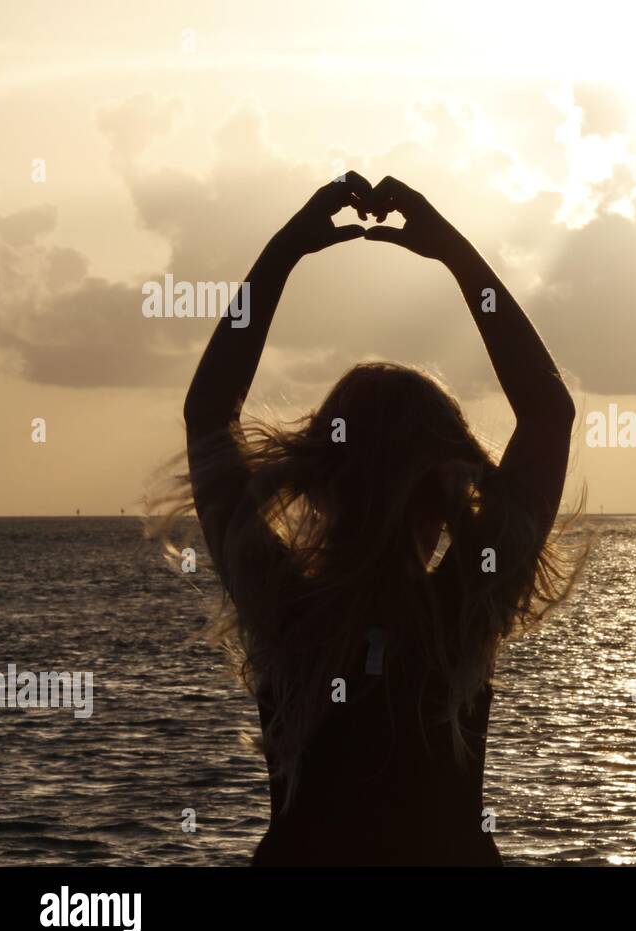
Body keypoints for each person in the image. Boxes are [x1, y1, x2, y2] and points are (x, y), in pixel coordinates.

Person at [167, 172, 580, 865]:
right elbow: (548, 414)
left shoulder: (288, 612)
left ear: (322, 478)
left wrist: (286, 251)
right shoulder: (465, 606)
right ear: (445, 480)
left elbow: (209, 415)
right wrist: (451, 251)